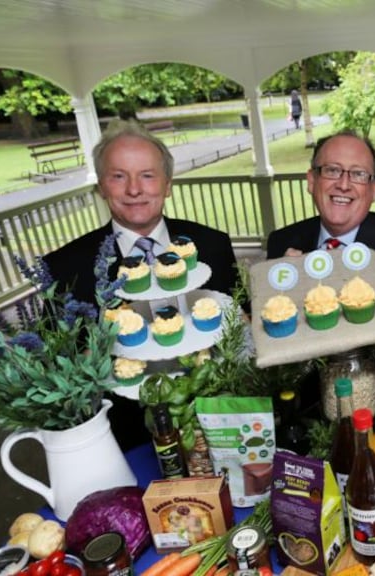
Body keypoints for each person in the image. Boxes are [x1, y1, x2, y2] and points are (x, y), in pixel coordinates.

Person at [44, 119, 241, 448]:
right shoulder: (65, 269)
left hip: (216, 427)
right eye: (119, 176)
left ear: (167, 184)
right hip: (122, 438)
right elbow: (56, 367)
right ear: (101, 186)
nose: (134, 190)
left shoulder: (212, 245)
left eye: (147, 175)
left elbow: (239, 329)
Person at [266, 131, 375, 313]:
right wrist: (290, 290)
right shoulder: (281, 244)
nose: (343, 185)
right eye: (332, 170)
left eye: (358, 174)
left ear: (374, 190)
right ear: (311, 181)